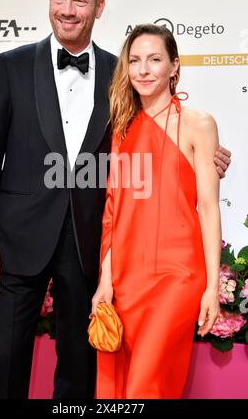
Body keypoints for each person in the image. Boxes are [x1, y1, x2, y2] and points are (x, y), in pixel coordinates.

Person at [0, 0, 230, 399]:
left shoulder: (119, 74)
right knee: (9, 358)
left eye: (80, 1)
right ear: (49, 1)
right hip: (19, 238)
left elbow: (158, 135)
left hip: (87, 242)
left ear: (99, 6)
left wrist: (208, 158)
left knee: (80, 365)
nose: (67, 10)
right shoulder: (8, 66)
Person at [92, 24, 222, 399]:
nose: (143, 70)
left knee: (146, 386)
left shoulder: (198, 124)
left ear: (174, 66)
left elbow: (209, 210)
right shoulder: (120, 128)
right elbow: (116, 210)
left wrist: (212, 288)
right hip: (128, 276)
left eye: (154, 60)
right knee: (122, 385)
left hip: (177, 275)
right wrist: (106, 279)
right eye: (134, 61)